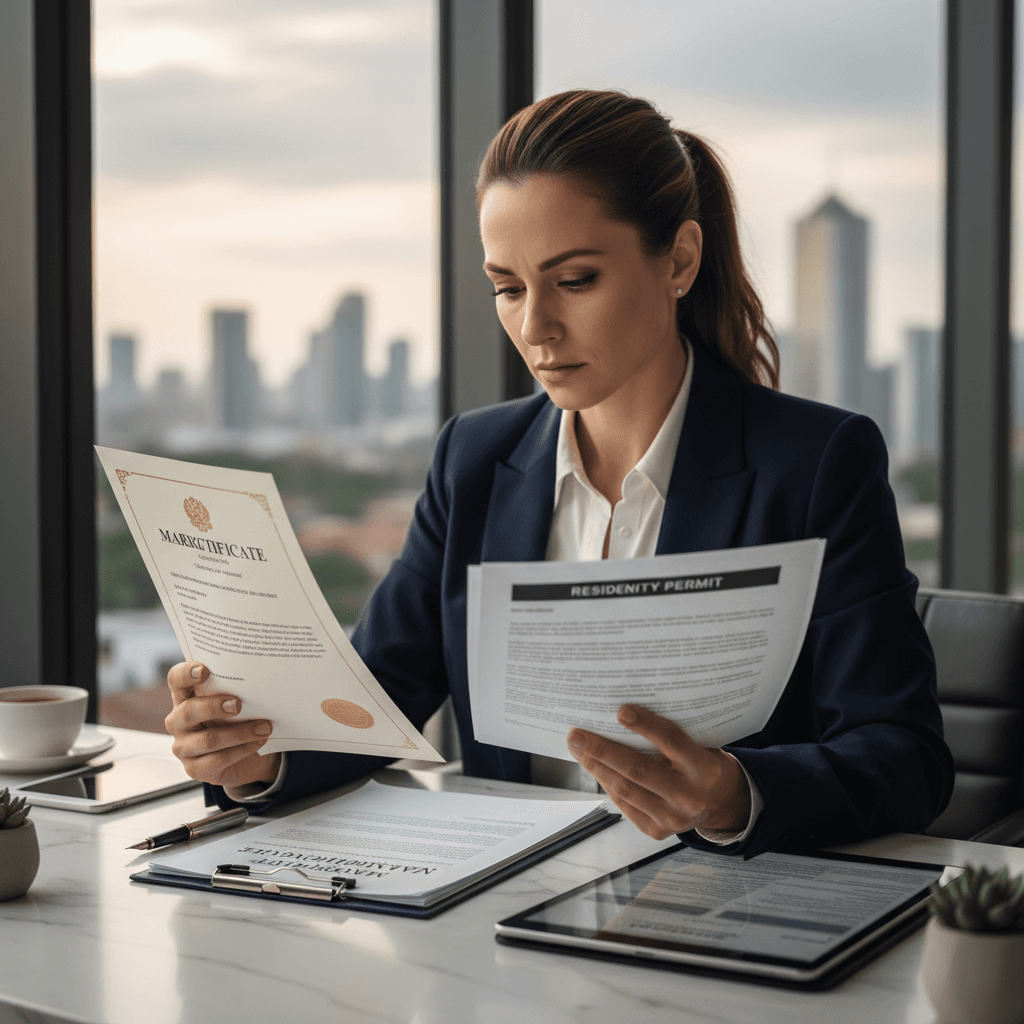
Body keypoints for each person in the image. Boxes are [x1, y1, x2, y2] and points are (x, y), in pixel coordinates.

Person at [163, 90, 953, 857]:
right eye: (508, 287)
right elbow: (374, 701)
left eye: (575, 281)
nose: (534, 327)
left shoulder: (816, 464)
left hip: (719, 924)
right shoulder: (474, 460)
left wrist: (737, 793)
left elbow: (905, 757)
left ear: (678, 259)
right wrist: (260, 758)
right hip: (504, 925)